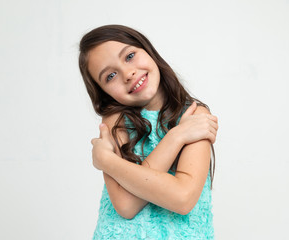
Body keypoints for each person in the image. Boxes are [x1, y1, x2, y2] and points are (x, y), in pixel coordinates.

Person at [79, 24, 219, 239]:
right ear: (104, 93)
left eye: (130, 56)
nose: (128, 73)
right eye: (110, 76)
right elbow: (126, 205)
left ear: (148, 50)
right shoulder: (115, 123)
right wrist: (177, 136)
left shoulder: (194, 117)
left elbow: (182, 198)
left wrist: (106, 161)